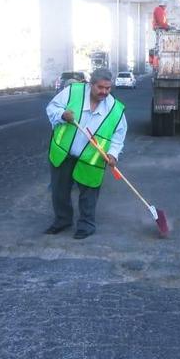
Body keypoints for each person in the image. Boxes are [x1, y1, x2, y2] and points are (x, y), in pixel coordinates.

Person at [45, 68, 128, 239]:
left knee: (89, 192)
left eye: (108, 88)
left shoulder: (115, 109)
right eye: (100, 88)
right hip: (64, 151)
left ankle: (86, 225)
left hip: (91, 158)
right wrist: (62, 114)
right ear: (91, 85)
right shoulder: (72, 92)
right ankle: (62, 220)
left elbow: (119, 136)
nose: (104, 92)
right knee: (60, 190)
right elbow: (52, 107)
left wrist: (113, 154)